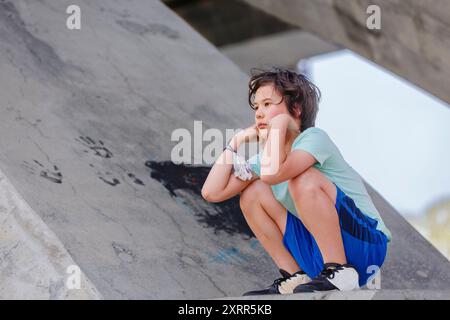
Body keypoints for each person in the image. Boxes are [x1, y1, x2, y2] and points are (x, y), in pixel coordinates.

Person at [201, 67, 391, 295]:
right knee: (253, 192)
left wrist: (280, 125)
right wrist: (236, 142)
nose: (259, 113)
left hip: (365, 245)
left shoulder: (314, 139)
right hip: (316, 257)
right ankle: (295, 276)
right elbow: (212, 192)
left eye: (268, 104)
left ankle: (340, 270)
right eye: (256, 107)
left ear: (297, 109)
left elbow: (274, 173)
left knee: (302, 178)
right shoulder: (266, 159)